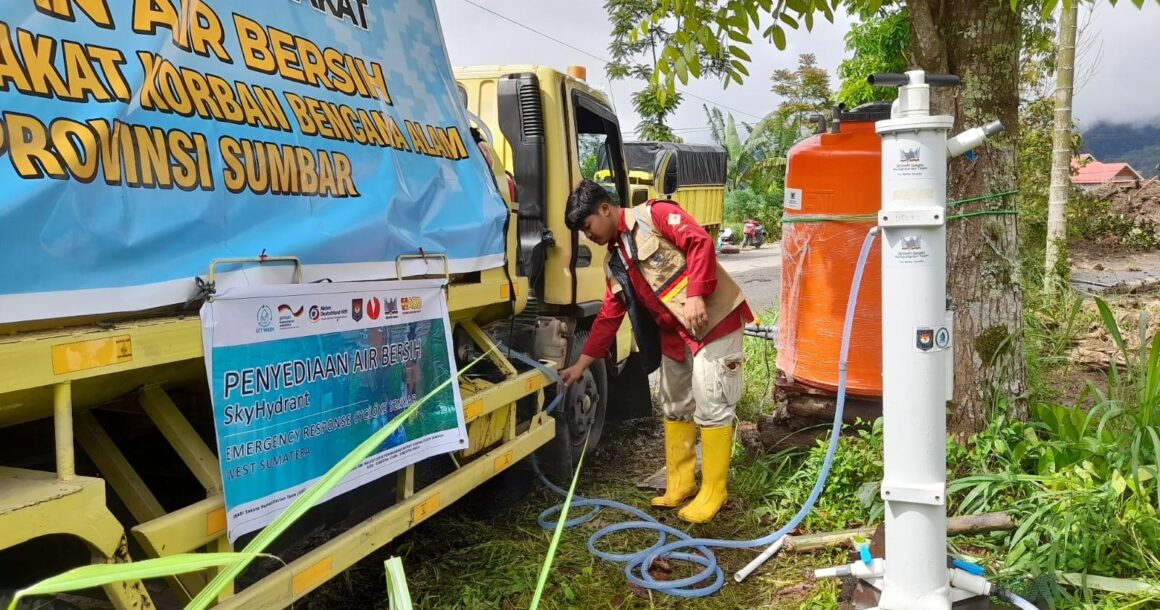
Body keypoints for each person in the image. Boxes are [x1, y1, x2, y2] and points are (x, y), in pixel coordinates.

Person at [558, 180, 753, 524]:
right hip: (675, 335)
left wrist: (695, 294)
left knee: (712, 405)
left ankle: (713, 491)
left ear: (605, 209)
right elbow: (608, 316)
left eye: (588, 227)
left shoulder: (656, 215)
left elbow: (699, 243)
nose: (589, 237)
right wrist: (581, 365)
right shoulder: (614, 260)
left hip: (713, 323)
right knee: (674, 405)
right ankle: (680, 484)